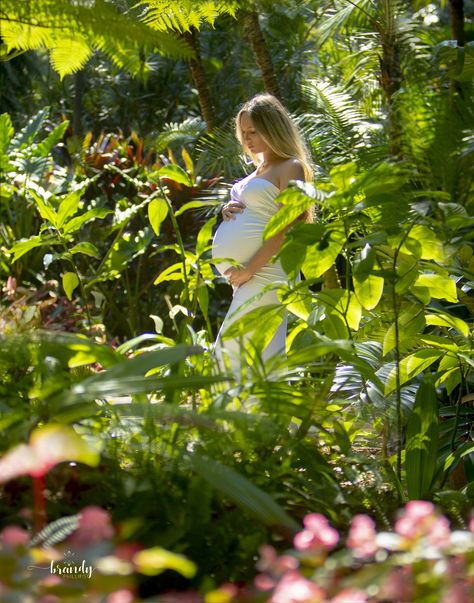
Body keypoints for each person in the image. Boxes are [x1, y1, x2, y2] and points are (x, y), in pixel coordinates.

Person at [211, 93, 313, 381]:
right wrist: (227, 210)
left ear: (273, 127)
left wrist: (248, 269)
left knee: (233, 349)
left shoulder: (290, 166)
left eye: (253, 131)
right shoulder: (258, 170)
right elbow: (255, 210)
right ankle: (259, 420)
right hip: (249, 275)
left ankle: (244, 419)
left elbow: (284, 226)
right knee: (253, 351)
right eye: (243, 133)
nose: (247, 139)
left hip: (265, 270)